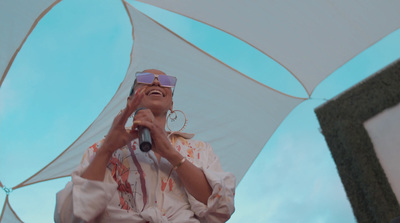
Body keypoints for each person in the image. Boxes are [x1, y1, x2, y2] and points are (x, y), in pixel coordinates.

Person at [54, 69, 236, 222]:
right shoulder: (102, 148)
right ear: (129, 101)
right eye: (145, 79)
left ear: (172, 104)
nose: (156, 83)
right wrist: (107, 150)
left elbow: (220, 208)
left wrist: (170, 153)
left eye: (165, 81)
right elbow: (72, 215)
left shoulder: (199, 150)